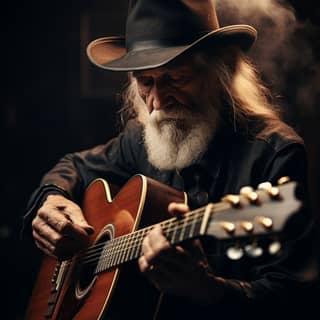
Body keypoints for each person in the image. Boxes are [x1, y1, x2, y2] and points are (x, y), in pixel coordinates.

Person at [23, 0, 315, 319]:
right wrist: (52, 199)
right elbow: (74, 166)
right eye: (145, 82)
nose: (157, 104)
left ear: (224, 71)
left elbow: (295, 300)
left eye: (175, 78)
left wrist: (209, 289)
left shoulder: (274, 155)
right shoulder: (141, 138)